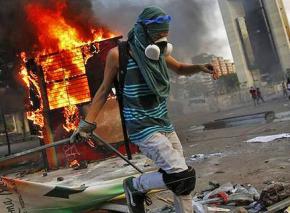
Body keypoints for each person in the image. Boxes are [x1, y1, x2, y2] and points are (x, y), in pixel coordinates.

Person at [70, 6, 218, 213]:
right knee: (181, 174)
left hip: (163, 123)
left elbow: (181, 69)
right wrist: (86, 125)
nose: (161, 41)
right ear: (143, 30)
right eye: (158, 35)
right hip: (141, 127)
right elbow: (103, 91)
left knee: (181, 180)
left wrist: (200, 67)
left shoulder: (158, 52)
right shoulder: (117, 55)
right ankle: (135, 186)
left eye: (165, 36)